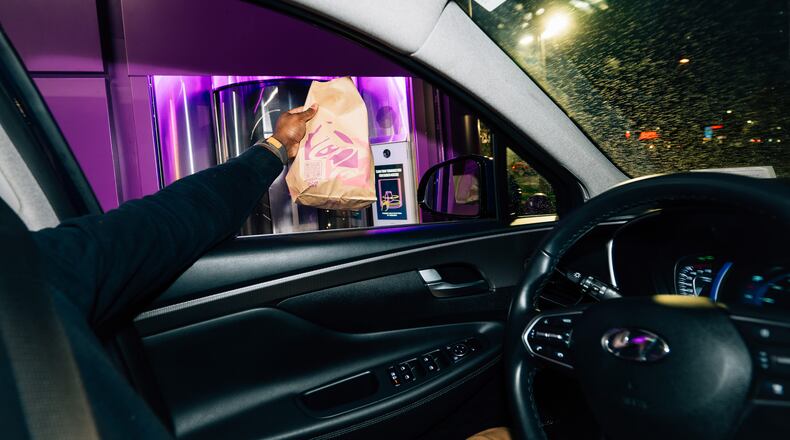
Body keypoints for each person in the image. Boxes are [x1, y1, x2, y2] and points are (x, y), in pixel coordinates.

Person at [0, 105, 317, 438]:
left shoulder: (26, 271)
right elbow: (169, 219)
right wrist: (275, 147)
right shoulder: (24, 274)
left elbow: (163, 222)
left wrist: (277, 146)